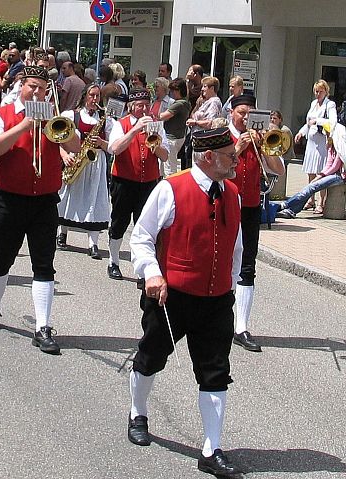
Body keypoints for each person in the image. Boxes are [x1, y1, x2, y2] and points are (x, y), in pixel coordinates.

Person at [128, 127, 244, 479]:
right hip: (171, 297)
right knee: (151, 356)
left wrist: (231, 285)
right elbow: (142, 236)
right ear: (209, 157)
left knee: (215, 371)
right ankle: (137, 412)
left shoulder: (234, 194)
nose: (236, 160)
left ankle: (211, 448)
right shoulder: (171, 188)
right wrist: (151, 273)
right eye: (230, 155)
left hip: (217, 300)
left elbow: (235, 246)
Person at [0, 65, 81, 354]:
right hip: (9, 199)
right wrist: (24, 125)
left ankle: (42, 326)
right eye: (32, 87)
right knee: (1, 260)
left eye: (42, 88)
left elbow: (75, 145)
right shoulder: (4, 115)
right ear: (21, 87)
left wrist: (56, 124)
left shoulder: (54, 116)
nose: (37, 92)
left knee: (44, 264)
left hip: (44, 201)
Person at [228, 94, 285, 352]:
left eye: (250, 113)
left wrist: (264, 148)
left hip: (250, 207)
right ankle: (215, 318)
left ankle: (241, 327)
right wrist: (238, 147)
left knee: (247, 265)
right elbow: (208, 164)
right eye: (242, 112)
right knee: (222, 261)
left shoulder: (260, 140)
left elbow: (279, 170)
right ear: (232, 113)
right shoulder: (221, 134)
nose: (246, 118)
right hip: (224, 206)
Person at [106, 88, 169, 280]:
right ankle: (113, 261)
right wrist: (134, 130)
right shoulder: (121, 124)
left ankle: (143, 269)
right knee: (119, 222)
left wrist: (155, 143)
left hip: (149, 183)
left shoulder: (156, 126)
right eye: (140, 106)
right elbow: (114, 149)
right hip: (124, 182)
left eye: (146, 105)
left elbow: (165, 156)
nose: (144, 109)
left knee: (146, 227)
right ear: (131, 107)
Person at [57, 83, 112, 259]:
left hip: (96, 162)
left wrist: (102, 144)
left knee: (93, 199)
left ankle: (93, 243)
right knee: (68, 196)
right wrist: (64, 155)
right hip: (75, 159)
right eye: (91, 95)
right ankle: (62, 233)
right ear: (84, 96)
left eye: (97, 96)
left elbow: (114, 145)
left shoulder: (106, 119)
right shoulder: (71, 115)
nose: (94, 99)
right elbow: (56, 138)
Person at [277, 123, 346, 218]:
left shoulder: (341, 145)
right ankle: (291, 210)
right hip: (333, 174)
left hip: (340, 176)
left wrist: (320, 175)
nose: (326, 135)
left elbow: (335, 166)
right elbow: (329, 163)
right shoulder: (331, 145)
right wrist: (321, 175)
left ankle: (285, 205)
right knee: (311, 186)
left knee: (312, 186)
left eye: (328, 133)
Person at [294, 79, 337, 214]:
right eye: (316, 91)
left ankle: (321, 202)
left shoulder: (330, 105)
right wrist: (301, 132)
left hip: (322, 142)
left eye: (320, 91)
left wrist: (317, 121)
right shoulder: (313, 104)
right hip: (311, 143)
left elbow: (332, 122)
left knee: (321, 172)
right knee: (311, 172)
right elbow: (308, 123)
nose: (318, 94)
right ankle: (310, 199)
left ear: (326, 91)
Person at [157, 77, 191, 176]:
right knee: (165, 165)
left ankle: (171, 186)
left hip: (172, 138)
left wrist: (155, 115)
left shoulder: (179, 104)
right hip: (178, 136)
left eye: (173, 90)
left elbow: (163, 116)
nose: (171, 93)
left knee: (169, 167)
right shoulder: (185, 102)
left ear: (178, 90)